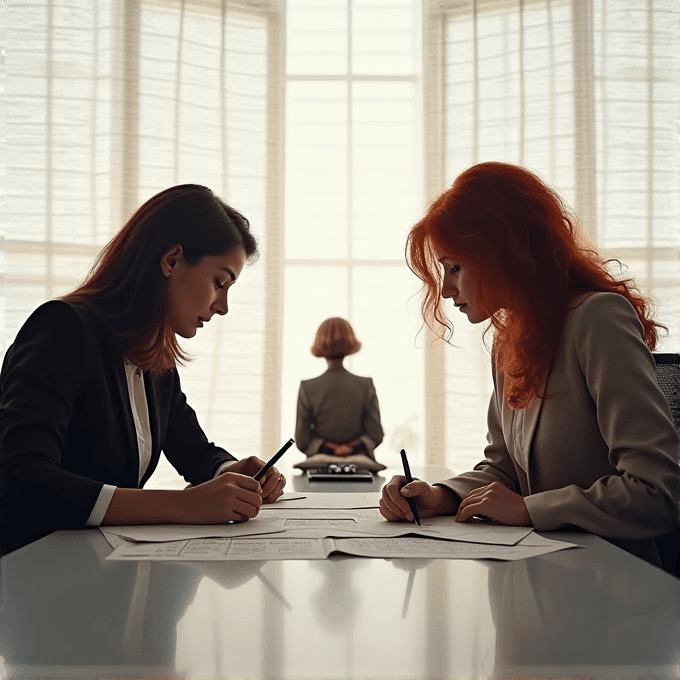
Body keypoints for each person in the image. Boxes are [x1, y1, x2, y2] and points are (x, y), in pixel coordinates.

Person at [380, 161, 680, 566]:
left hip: (614, 587)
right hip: (534, 580)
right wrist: (439, 495)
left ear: (503, 252)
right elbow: (504, 468)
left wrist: (530, 510)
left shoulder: (598, 319)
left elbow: (659, 491)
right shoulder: (508, 342)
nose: (447, 289)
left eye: (455, 267)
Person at [0, 184, 286, 556]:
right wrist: (183, 506)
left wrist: (229, 470)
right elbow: (22, 477)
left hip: (100, 572)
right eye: (220, 282)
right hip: (36, 576)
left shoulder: (154, 358)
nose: (223, 307)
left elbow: (192, 449)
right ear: (171, 260)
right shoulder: (62, 329)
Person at [295, 317, 384, 461]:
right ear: (350, 342)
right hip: (359, 464)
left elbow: (302, 441)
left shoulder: (307, 387)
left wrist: (332, 448)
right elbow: (375, 435)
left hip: (320, 465)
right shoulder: (365, 385)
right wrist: (349, 447)